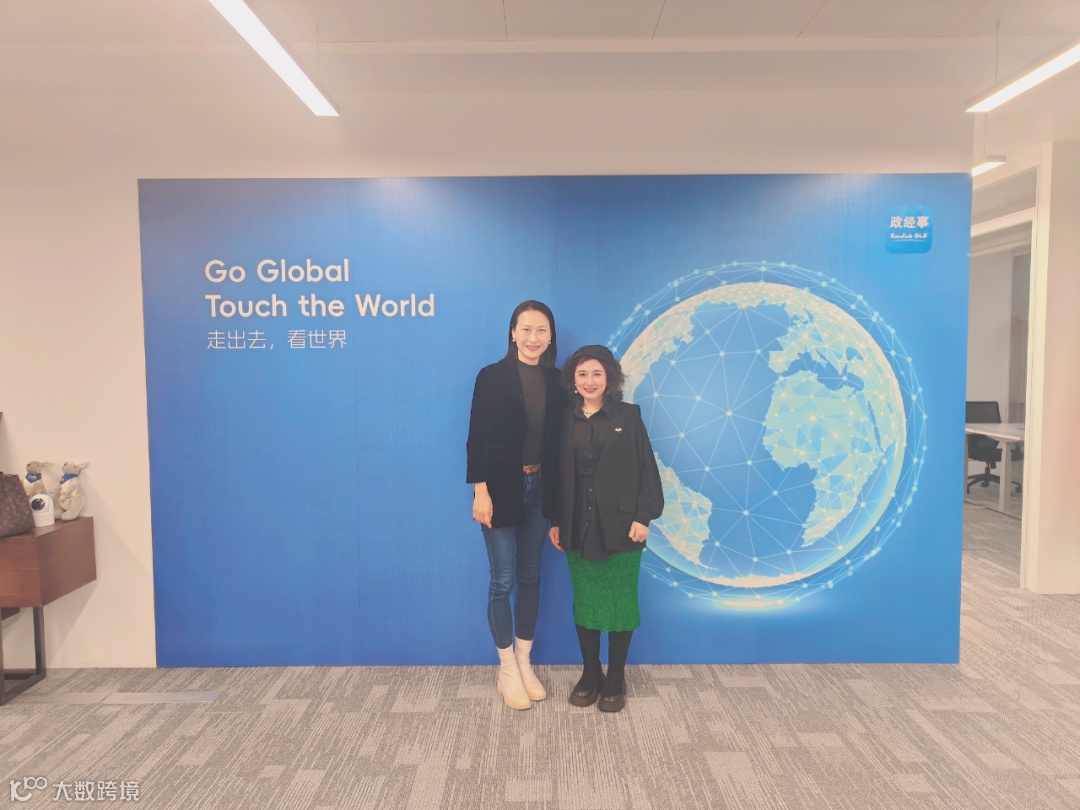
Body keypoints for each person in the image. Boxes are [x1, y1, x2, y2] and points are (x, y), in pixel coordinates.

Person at [548, 345, 664, 713]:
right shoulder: (564, 419)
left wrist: (644, 517)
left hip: (623, 526)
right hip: (576, 524)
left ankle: (615, 676)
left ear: (610, 378)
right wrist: (555, 520)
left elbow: (647, 470)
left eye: (597, 374)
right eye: (582, 374)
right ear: (573, 380)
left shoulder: (628, 416)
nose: (589, 381)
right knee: (586, 602)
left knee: (620, 604)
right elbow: (556, 474)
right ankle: (590, 673)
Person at [467, 300, 565, 710]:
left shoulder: (558, 381)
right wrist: (481, 491)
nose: (533, 337)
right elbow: (477, 437)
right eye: (526, 329)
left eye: (541, 330)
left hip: (543, 488)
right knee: (502, 581)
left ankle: (525, 662)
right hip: (501, 488)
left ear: (550, 336)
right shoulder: (491, 376)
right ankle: (506, 668)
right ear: (512, 332)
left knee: (530, 577)